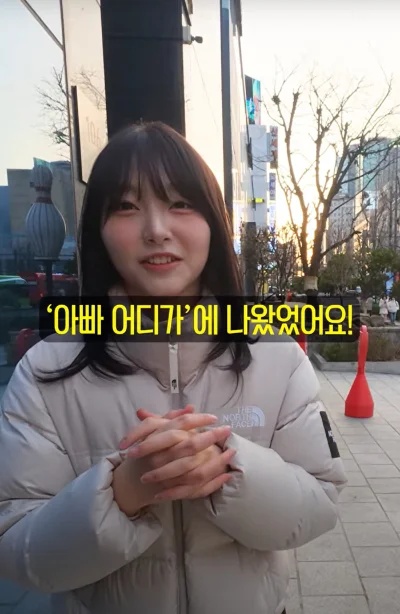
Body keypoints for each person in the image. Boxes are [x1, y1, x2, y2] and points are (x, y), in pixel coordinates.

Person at [0, 122, 347, 614]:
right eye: (126, 206)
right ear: (98, 230)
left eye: (181, 203)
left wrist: (228, 467)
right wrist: (122, 492)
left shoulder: (276, 356)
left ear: (213, 224)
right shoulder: (45, 371)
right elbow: (16, 549)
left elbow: (320, 503)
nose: (157, 229)